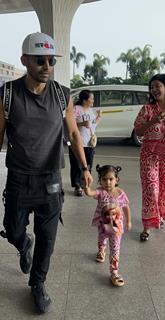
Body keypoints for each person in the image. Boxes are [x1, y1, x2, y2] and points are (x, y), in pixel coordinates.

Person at [0, 32, 93, 314]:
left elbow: (74, 132)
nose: (47, 66)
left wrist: (85, 168)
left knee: (47, 237)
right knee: (15, 230)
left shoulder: (61, 94)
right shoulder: (7, 93)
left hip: (51, 179)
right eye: (40, 60)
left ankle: (37, 284)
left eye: (51, 61)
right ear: (25, 60)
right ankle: (21, 242)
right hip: (18, 177)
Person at [134, 74, 165, 242]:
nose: (154, 90)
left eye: (157, 86)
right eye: (151, 87)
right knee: (150, 189)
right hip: (149, 156)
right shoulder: (147, 109)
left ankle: (158, 216)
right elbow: (138, 131)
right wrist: (153, 120)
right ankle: (147, 226)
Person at [84, 164, 132, 287]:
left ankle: (114, 272)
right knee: (101, 238)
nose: (108, 182)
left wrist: (128, 221)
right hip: (102, 225)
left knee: (115, 248)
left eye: (111, 179)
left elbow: (126, 207)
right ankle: (101, 250)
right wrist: (86, 185)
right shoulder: (100, 192)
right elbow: (90, 193)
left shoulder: (121, 193)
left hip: (117, 228)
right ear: (100, 180)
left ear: (117, 180)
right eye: (104, 179)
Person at [68, 89, 101, 196]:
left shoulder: (91, 111)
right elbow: (70, 125)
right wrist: (82, 123)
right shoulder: (76, 109)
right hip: (78, 143)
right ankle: (78, 186)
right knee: (77, 165)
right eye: (91, 98)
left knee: (88, 165)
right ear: (84, 100)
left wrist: (98, 118)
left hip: (89, 144)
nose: (93, 101)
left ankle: (85, 184)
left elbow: (92, 125)